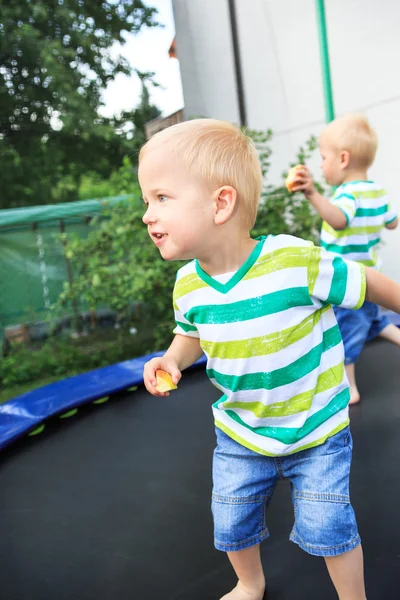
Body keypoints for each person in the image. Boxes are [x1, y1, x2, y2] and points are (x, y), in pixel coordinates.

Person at [139, 118, 400, 600]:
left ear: (220, 203)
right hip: (242, 431)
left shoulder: (293, 261)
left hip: (316, 427)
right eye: (146, 202)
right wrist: (173, 359)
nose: (147, 215)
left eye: (160, 198)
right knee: (231, 516)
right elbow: (190, 333)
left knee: (328, 523)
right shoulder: (189, 285)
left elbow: (366, 283)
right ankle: (248, 582)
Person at [290, 114, 399, 404]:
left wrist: (313, 194)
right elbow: (392, 222)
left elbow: (339, 220)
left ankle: (348, 388)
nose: (321, 165)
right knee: (374, 319)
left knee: (345, 331)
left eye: (323, 158)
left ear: (343, 159)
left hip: (347, 281)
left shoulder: (347, 195)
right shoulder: (377, 191)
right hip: (372, 278)